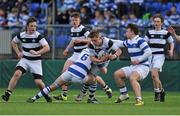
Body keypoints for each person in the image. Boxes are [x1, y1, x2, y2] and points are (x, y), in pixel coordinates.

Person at [26, 48, 109, 103]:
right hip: (79, 75)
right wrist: (103, 60)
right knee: (94, 79)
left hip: (70, 70)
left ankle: (34, 98)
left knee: (52, 86)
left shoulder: (84, 50)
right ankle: (91, 99)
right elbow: (103, 70)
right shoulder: (95, 54)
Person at [1, 17, 51, 102]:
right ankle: (7, 94)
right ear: (27, 26)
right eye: (31, 26)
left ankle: (46, 95)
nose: (33, 28)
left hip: (36, 61)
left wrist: (37, 52)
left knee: (38, 82)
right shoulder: (22, 35)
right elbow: (13, 42)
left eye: (35, 26)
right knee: (17, 73)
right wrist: (18, 53)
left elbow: (47, 48)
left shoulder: (38, 36)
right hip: (25, 60)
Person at [75, 29, 122, 101]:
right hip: (96, 59)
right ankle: (90, 97)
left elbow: (119, 51)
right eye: (92, 40)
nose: (94, 42)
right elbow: (92, 58)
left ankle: (84, 93)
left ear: (99, 37)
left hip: (105, 60)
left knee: (100, 73)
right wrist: (100, 61)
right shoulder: (91, 44)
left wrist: (114, 56)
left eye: (95, 40)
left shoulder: (108, 42)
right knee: (92, 77)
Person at [53, 12, 91, 101]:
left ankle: (93, 93)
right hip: (75, 54)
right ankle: (64, 95)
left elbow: (91, 40)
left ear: (79, 20)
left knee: (88, 76)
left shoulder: (83, 29)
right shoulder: (72, 29)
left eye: (76, 20)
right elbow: (73, 41)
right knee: (64, 72)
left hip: (83, 55)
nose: (74, 22)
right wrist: (67, 49)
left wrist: (81, 40)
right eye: (73, 20)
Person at [114, 23, 152, 106]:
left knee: (132, 78)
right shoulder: (129, 41)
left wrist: (139, 60)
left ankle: (139, 100)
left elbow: (148, 52)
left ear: (132, 32)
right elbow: (119, 43)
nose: (125, 33)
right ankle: (124, 94)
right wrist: (105, 40)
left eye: (127, 31)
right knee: (117, 74)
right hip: (134, 66)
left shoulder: (140, 40)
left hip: (143, 66)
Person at [145, 14, 174, 102]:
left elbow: (171, 42)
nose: (156, 23)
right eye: (155, 21)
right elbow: (144, 43)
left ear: (161, 23)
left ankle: (157, 92)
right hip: (150, 56)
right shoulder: (149, 32)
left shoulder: (165, 33)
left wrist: (171, 50)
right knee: (154, 77)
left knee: (154, 74)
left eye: (158, 21)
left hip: (160, 56)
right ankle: (162, 91)